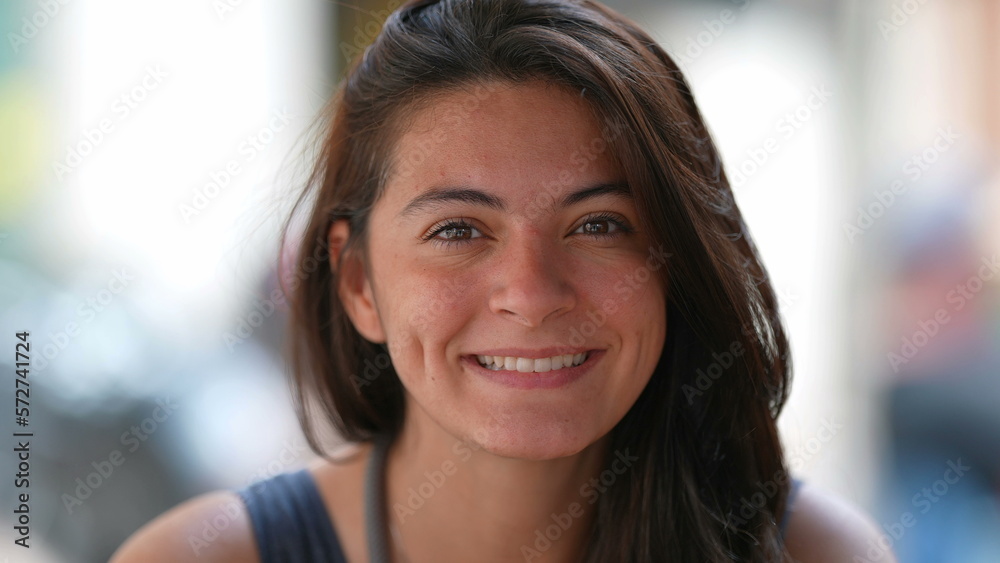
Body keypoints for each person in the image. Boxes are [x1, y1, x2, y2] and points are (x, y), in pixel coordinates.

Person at [112, 0, 891, 561]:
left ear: (675, 263)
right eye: (457, 231)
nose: (531, 291)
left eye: (599, 225)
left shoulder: (812, 552)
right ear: (358, 283)